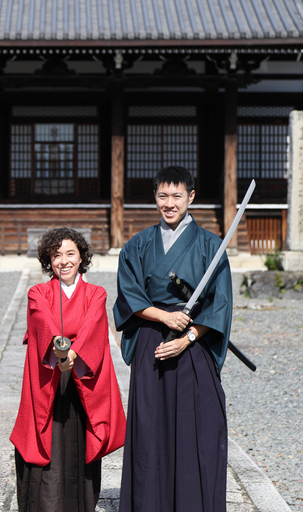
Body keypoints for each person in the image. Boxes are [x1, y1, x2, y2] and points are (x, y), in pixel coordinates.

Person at [113, 166, 233, 512]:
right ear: (155, 198)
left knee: (199, 424)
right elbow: (130, 296)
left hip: (193, 343)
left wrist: (189, 336)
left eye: (177, 196)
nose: (170, 203)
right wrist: (165, 316)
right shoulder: (137, 245)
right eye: (163, 196)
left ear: (190, 197)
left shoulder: (211, 245)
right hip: (153, 338)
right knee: (151, 427)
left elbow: (220, 303)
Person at [11, 227, 126, 512]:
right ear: (48, 261)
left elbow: (92, 327)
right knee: (48, 442)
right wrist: (60, 349)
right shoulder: (38, 292)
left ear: (81, 257)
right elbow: (44, 321)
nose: (63, 261)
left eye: (70, 254)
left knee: (79, 442)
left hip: (82, 377)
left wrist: (73, 353)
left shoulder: (96, 293)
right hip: (50, 375)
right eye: (56, 255)